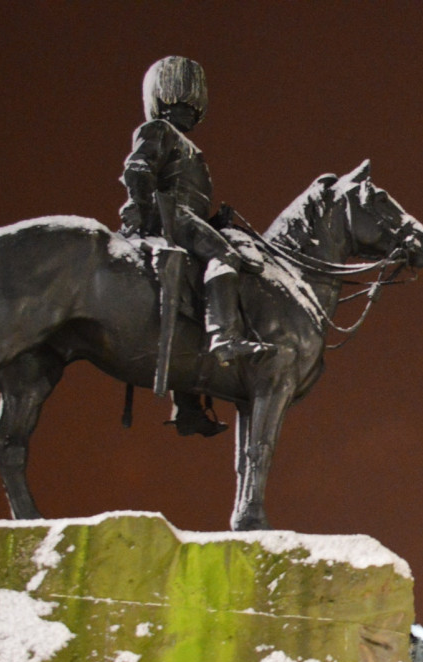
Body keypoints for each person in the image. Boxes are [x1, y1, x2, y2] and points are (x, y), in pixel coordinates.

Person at [120, 56, 268, 436]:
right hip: (171, 217)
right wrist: (138, 207)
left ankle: (187, 405)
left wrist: (218, 220)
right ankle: (224, 337)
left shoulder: (188, 147)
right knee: (225, 255)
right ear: (165, 102)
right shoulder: (159, 130)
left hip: (190, 219)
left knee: (195, 294)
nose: (190, 113)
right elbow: (138, 168)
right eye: (182, 105)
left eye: (193, 106)